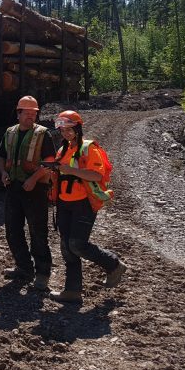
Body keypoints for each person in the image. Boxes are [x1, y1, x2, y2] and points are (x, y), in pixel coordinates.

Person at [48, 110, 127, 303]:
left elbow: (97, 176)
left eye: (69, 129)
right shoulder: (62, 150)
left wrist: (70, 170)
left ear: (78, 128)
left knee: (77, 244)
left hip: (83, 203)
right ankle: (72, 290)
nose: (65, 133)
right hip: (64, 203)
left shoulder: (89, 148)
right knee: (67, 247)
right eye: (62, 129)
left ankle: (113, 264)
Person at [0, 95, 55, 291]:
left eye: (34, 113)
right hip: (14, 187)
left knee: (38, 232)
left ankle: (43, 274)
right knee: (13, 230)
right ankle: (24, 267)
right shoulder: (10, 132)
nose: (31, 116)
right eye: (27, 113)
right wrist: (3, 172)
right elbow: (1, 156)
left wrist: (33, 179)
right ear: (18, 113)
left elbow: (49, 163)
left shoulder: (43, 134)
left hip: (35, 189)